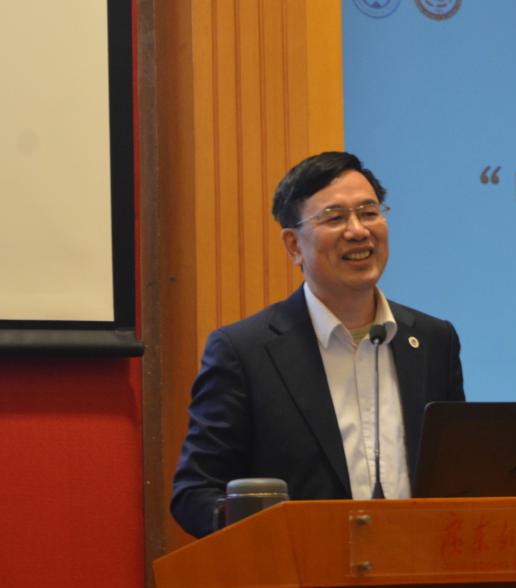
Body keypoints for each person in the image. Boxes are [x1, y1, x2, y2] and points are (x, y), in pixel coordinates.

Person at [171, 151, 465, 537]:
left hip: (415, 566)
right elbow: (195, 492)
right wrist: (268, 536)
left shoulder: (433, 340)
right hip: (302, 569)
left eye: (369, 212)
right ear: (293, 245)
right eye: (335, 218)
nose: (358, 231)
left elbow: (455, 475)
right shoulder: (244, 352)